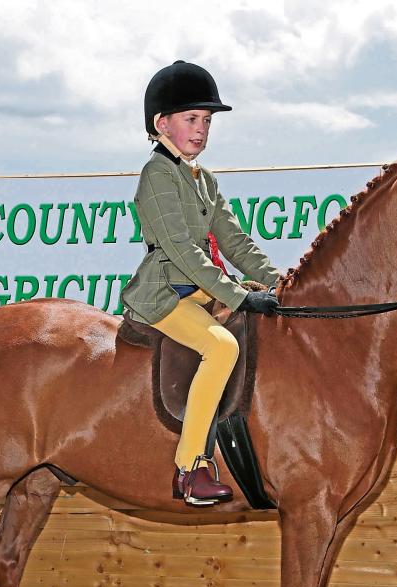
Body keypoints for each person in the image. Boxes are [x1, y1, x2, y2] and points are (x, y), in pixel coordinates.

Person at [121, 60, 282, 507]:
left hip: (200, 292)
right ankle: (190, 467)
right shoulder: (157, 174)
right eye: (192, 119)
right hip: (164, 296)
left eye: (207, 121)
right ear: (161, 124)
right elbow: (182, 251)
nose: (202, 129)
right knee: (222, 347)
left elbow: (236, 241)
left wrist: (282, 282)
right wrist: (240, 295)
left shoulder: (204, 180)